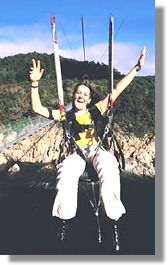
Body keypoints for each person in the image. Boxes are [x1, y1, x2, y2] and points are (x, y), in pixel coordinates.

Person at [29, 47, 147, 251]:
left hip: (96, 150)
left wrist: (136, 68)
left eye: (85, 94)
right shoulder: (65, 115)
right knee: (66, 170)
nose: (81, 96)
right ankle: (64, 220)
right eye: (77, 93)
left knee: (109, 164)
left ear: (90, 99)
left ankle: (114, 220)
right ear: (73, 96)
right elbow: (37, 108)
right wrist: (34, 83)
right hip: (77, 154)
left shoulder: (97, 110)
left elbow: (118, 89)